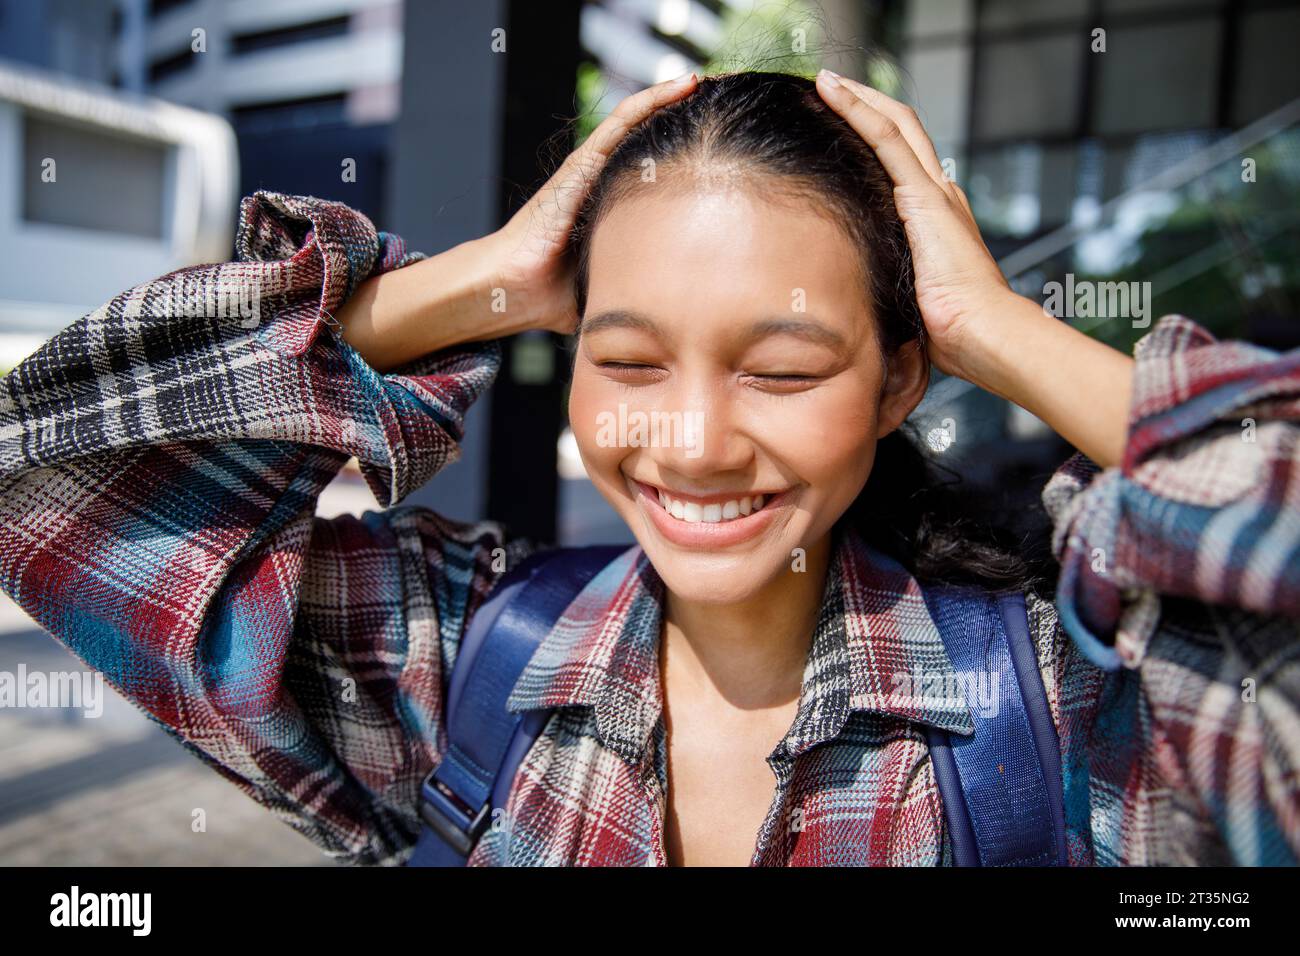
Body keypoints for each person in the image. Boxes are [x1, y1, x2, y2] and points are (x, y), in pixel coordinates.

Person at [0, 70, 1296, 867]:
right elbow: (46, 479)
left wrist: (998, 331)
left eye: (782, 372)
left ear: (902, 375)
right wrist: (479, 280)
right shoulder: (463, 669)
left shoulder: (1079, 713)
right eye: (626, 362)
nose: (689, 443)